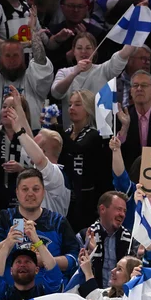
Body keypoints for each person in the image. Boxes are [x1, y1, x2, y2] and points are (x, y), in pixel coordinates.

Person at [0, 168, 80, 281]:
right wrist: (7, 243)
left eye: (35, 189)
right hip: (11, 293)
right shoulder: (3, 219)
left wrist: (44, 260)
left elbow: (74, 260)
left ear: (43, 192)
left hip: (50, 293)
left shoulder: (57, 221)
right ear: (17, 192)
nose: (30, 194)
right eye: (25, 189)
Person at [0, 12, 52, 129]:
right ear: (1, 58)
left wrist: (33, 31)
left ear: (23, 56)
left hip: (31, 142)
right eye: (7, 56)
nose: (11, 59)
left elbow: (41, 63)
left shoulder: (32, 77)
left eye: (15, 55)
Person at [5, 89, 70, 217]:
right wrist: (18, 106)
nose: (30, 147)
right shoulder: (37, 167)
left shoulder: (56, 174)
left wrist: (18, 130)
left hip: (49, 232)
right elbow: (28, 138)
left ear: (43, 152)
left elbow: (39, 158)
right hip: (25, 225)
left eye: (36, 146)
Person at [51, 33, 135, 127]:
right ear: (73, 51)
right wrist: (74, 73)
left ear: (94, 51)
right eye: (79, 48)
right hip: (72, 134)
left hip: (101, 133)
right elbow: (56, 93)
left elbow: (123, 54)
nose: (83, 51)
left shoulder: (104, 70)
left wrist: (139, 30)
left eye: (88, 48)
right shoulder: (64, 72)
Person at [58, 89, 111, 231]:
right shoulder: (67, 133)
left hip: (86, 200)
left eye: (77, 104)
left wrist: (56, 129)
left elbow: (77, 149)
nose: (71, 108)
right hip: (66, 195)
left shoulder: (94, 135)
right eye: (70, 105)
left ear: (88, 109)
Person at [0, 221, 64, 300]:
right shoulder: (3, 294)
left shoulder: (46, 293)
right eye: (18, 262)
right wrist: (7, 244)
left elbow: (54, 273)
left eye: (28, 262)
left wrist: (36, 240)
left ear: (37, 270)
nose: (22, 265)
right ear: (11, 270)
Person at [76, 192, 131, 288]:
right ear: (102, 209)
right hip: (91, 296)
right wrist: (90, 252)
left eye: (124, 211)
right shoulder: (84, 236)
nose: (122, 214)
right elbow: (76, 273)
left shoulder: (130, 239)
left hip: (120, 296)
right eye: (118, 209)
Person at [45, 0, 105, 72]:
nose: (76, 10)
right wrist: (67, 58)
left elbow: (103, 66)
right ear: (62, 8)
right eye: (71, 6)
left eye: (80, 6)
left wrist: (87, 40)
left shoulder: (98, 34)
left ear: (86, 9)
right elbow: (47, 68)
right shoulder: (53, 32)